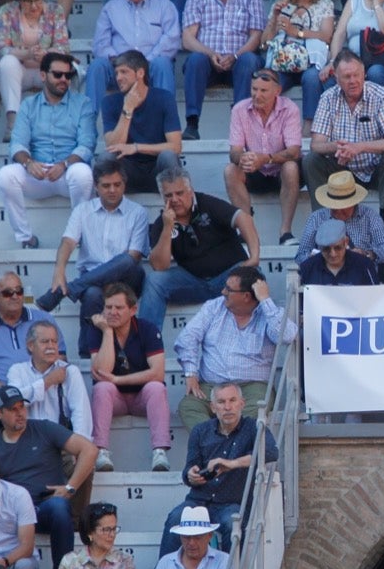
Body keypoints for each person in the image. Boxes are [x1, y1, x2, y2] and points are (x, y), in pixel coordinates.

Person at [0, 384, 97, 569]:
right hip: (16, 515)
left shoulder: (43, 428)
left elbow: (90, 450)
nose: (20, 413)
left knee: (59, 507)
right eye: (13, 409)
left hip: (48, 506)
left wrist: (70, 487)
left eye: (22, 407)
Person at [37, 159, 147, 350]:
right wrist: (59, 270)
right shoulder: (83, 210)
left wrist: (92, 280)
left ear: (124, 185)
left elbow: (135, 256)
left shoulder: (138, 212)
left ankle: (69, 289)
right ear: (96, 187)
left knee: (126, 260)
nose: (112, 190)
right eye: (106, 186)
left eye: (117, 185)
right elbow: (68, 242)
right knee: (92, 294)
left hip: (127, 280)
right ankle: (88, 350)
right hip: (92, 281)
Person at [158, 383, 278, 555]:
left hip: (232, 503)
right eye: (221, 402)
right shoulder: (200, 431)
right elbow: (188, 470)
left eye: (232, 400)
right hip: (199, 500)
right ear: (213, 407)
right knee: (175, 518)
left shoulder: (253, 427)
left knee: (231, 523)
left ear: (242, 404)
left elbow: (271, 452)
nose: (227, 407)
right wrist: (191, 476)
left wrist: (232, 463)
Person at [0, 52, 96, 250]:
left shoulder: (82, 104)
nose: (64, 80)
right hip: (37, 173)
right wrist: (28, 163)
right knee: (5, 175)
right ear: (43, 76)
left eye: (68, 76)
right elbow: (17, 144)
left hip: (68, 173)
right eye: (58, 75)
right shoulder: (28, 105)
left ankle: (79, 236)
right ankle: (26, 238)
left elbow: (86, 145)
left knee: (83, 173)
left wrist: (65, 164)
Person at [139, 167, 261, 329]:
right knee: (154, 280)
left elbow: (243, 218)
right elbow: (159, 266)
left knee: (255, 275)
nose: (174, 199)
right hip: (193, 282)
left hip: (228, 278)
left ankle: (255, 334)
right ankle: (148, 345)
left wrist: (254, 257)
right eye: (169, 195)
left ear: (191, 191)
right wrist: (168, 228)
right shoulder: (162, 223)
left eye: (179, 193)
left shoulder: (208, 204)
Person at [304, 49, 384, 236]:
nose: (353, 81)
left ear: (364, 73)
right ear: (336, 78)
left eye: (357, 75)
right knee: (311, 160)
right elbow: (316, 144)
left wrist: (358, 147)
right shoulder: (328, 98)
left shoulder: (382, 95)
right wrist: (338, 147)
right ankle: (324, 223)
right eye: (347, 76)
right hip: (342, 169)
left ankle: (383, 224)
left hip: (376, 169)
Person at [174, 267, 296, 423]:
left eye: (229, 289)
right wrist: (191, 374)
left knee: (254, 411)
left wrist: (265, 300)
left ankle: (224, 445)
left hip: (251, 388)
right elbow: (187, 337)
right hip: (212, 386)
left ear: (246, 296)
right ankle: (216, 444)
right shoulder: (214, 307)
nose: (223, 292)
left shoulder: (269, 314)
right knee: (189, 406)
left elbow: (288, 336)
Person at [81, 284, 172, 473]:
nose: (112, 312)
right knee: (102, 388)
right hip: (115, 400)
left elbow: (157, 373)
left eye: (119, 307)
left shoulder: (147, 329)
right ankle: (101, 452)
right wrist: (107, 332)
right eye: (108, 307)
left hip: (142, 398)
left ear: (133, 310)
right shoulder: (96, 329)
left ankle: (159, 452)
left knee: (156, 387)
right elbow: (101, 372)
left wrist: (117, 380)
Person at [182, 0, 264, 139]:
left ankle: (242, 126)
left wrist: (236, 55)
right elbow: (187, 38)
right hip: (208, 66)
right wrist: (211, 54)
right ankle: (192, 124)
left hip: (239, 64)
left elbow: (256, 36)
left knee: (249, 60)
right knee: (195, 60)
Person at [0, 273, 62, 441]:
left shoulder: (44, 319)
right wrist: (7, 391)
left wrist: (41, 383)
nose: (15, 296)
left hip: (42, 382)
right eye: (7, 293)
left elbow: (60, 357)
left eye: (19, 291)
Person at [222, 69, 302, 245]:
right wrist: (242, 158)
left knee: (290, 167)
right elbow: (234, 151)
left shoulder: (290, 109)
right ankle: (246, 230)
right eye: (254, 89)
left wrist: (265, 158)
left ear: (277, 91)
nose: (257, 95)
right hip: (254, 170)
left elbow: (294, 151)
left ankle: (285, 232)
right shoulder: (239, 109)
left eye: (263, 90)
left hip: (279, 168)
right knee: (230, 170)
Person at [86, 0, 179, 105]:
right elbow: (100, 44)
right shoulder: (111, 8)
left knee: (162, 63)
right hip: (118, 68)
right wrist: (121, 64)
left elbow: (171, 41)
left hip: (150, 68)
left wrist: (144, 63)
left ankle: (168, 124)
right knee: (97, 66)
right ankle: (88, 124)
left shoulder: (165, 6)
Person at [0, 0, 70, 143]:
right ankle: (13, 124)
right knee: (7, 63)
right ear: (19, 0)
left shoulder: (55, 11)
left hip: (46, 70)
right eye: (28, 1)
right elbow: (0, 47)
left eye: (38, 0)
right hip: (21, 70)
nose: (34, 6)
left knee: (63, 68)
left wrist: (46, 54)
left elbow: (63, 46)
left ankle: (59, 126)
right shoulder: (7, 11)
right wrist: (27, 53)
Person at [260, 0, 333, 132]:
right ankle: (266, 126)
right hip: (283, 62)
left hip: (311, 60)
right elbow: (264, 44)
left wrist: (296, 32)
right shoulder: (282, 5)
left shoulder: (324, 4)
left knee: (312, 78)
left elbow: (326, 35)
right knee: (269, 81)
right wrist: (274, 19)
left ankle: (310, 127)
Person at [98, 50, 182, 195]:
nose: (118, 78)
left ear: (140, 73)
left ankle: (178, 209)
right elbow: (112, 146)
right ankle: (107, 214)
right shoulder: (109, 102)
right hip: (126, 172)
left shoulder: (164, 98)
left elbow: (175, 147)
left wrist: (136, 148)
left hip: (158, 169)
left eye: (124, 72)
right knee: (106, 158)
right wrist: (128, 109)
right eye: (117, 73)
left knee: (168, 156)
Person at [295, 171, 384, 281]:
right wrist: (315, 258)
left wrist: (367, 254)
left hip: (362, 279)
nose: (338, 211)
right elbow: (300, 255)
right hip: (325, 279)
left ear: (354, 202)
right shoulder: (317, 218)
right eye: (334, 207)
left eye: (343, 207)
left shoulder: (370, 216)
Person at [5, 322, 92, 439]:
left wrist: (79, 445)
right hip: (27, 441)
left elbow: (81, 413)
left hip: (60, 442)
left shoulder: (70, 371)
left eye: (54, 341)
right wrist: (47, 382)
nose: (51, 346)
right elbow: (14, 402)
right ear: (31, 345)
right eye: (45, 342)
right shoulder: (17, 370)